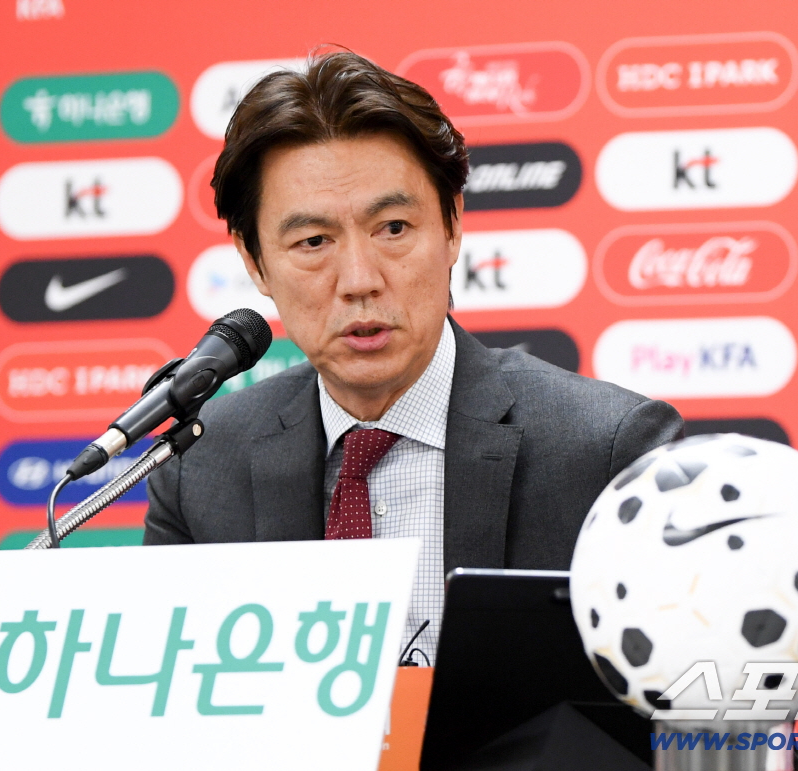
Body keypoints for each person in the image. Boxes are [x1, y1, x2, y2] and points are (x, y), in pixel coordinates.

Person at [144, 50, 683, 659]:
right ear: (255, 262)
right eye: (313, 241)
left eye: (394, 228)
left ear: (452, 225)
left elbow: (688, 694)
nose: (359, 280)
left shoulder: (606, 452)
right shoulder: (198, 467)